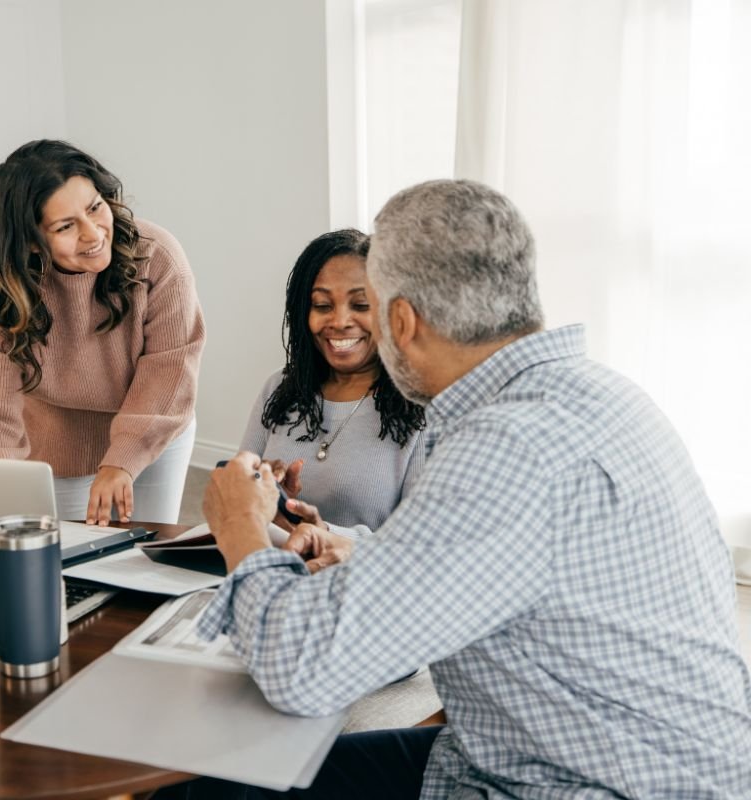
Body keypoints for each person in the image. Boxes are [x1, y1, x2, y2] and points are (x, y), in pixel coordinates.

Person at [164, 180, 751, 798]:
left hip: (565, 782)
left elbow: (302, 672)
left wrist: (241, 532)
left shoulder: (505, 449)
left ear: (400, 319)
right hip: (572, 748)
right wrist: (368, 557)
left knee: (209, 791)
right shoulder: (607, 395)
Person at [0, 140, 205, 526]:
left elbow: (169, 369)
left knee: (147, 554)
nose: (93, 234)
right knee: (72, 558)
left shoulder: (158, 256)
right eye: (66, 226)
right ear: (32, 242)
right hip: (56, 446)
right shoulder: (3, 294)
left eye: (95, 208)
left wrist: (121, 459)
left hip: (154, 426)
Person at [240, 229, 425, 534]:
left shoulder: (421, 407)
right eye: (323, 306)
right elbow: (239, 497)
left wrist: (322, 534)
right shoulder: (280, 390)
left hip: (362, 578)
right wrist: (263, 499)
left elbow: (417, 546)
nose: (339, 322)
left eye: (361, 305)